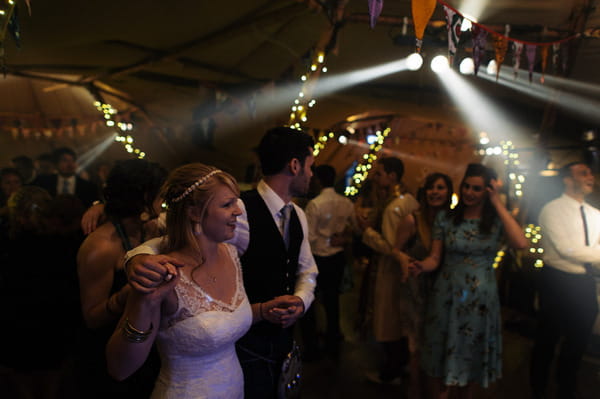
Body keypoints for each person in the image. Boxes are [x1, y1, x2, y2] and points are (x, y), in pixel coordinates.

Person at [125, 127, 318, 398]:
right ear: (295, 165)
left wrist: (301, 300)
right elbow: (173, 226)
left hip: (276, 342)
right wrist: (137, 257)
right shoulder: (240, 210)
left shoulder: (298, 214)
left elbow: (307, 270)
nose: (312, 173)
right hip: (242, 348)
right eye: (311, 165)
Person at [106, 163, 254, 398]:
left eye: (236, 202)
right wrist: (144, 304)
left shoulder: (231, 253)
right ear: (194, 212)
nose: (238, 211)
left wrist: (264, 310)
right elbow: (120, 369)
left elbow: (223, 320)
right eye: (227, 204)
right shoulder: (164, 273)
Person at [415, 163, 527, 399]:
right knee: (438, 352)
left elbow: (521, 243)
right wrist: (421, 266)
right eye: (466, 186)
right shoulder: (446, 218)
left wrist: (497, 204)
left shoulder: (495, 222)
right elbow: (435, 258)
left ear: (487, 191)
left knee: (470, 356)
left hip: (480, 301)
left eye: (476, 189)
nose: (469, 192)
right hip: (445, 294)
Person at [76, 159, 167, 398]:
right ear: (144, 196)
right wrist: (126, 294)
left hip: (148, 348)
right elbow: (92, 318)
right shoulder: (101, 246)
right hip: (111, 354)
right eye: (160, 195)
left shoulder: (151, 229)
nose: (163, 202)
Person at [530, 162, 600, 399]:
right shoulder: (551, 209)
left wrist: (590, 254)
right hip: (556, 282)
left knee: (578, 342)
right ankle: (537, 389)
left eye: (590, 173)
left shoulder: (595, 214)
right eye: (583, 173)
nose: (590, 176)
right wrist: (594, 254)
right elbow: (566, 249)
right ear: (567, 180)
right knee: (546, 341)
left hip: (585, 283)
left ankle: (566, 387)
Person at [384, 172, 454, 396]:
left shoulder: (453, 220)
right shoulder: (413, 219)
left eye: (440, 187)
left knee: (441, 344)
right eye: (431, 188)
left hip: (445, 290)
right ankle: (416, 390)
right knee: (417, 346)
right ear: (424, 192)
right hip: (417, 290)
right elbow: (395, 249)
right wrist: (404, 259)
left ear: (449, 192)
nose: (435, 192)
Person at [357, 156, 420, 384]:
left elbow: (390, 246)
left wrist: (366, 231)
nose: (375, 177)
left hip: (390, 269)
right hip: (402, 269)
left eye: (379, 173)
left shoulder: (395, 206)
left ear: (392, 176)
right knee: (397, 319)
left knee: (388, 320)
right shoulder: (409, 199)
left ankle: (392, 370)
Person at [302, 164, 356, 358]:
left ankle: (311, 345)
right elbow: (353, 227)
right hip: (337, 258)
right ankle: (333, 338)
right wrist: (342, 239)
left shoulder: (315, 204)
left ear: (318, 179)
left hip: (318, 258)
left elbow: (310, 237)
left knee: (310, 301)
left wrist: (326, 240)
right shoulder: (347, 203)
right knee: (333, 299)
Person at [31, 147, 100, 207]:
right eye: (64, 161)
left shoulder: (88, 186)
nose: (70, 164)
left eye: (72, 161)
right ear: (56, 164)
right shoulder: (44, 182)